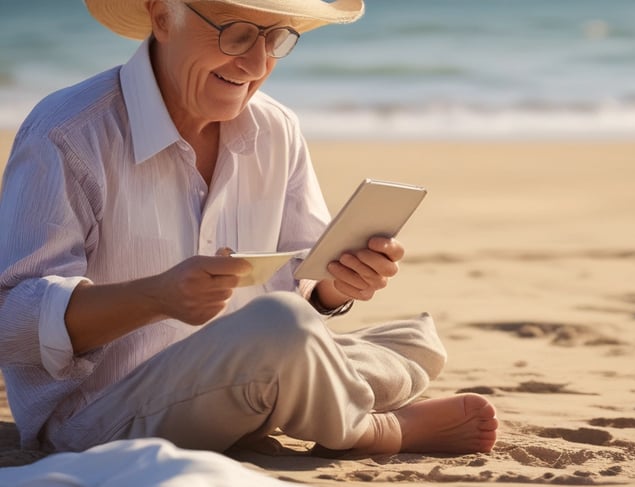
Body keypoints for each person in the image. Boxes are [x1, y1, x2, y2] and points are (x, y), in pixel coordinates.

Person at [0, 0, 498, 456]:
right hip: (99, 418)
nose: (257, 64)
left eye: (276, 37)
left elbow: (300, 282)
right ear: (161, 17)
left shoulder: (276, 128)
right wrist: (156, 297)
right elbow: (12, 323)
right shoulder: (66, 134)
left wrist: (332, 287)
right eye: (236, 33)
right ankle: (374, 429)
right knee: (282, 329)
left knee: (415, 341)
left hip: (244, 373)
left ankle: (296, 388)